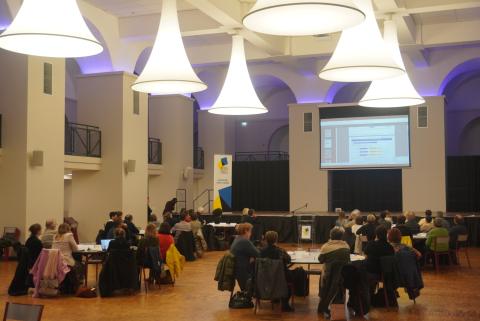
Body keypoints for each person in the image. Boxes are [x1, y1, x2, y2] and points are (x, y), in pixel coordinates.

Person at [317, 227, 350, 318]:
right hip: (342, 277)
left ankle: (322, 301)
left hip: (328, 275)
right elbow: (348, 261)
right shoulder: (346, 247)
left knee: (322, 274)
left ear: (331, 236)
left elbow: (320, 260)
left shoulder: (326, 247)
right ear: (341, 237)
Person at [260, 231, 293, 312]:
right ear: (276, 240)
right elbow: (289, 260)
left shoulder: (260, 251)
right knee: (292, 277)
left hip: (264, 278)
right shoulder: (280, 251)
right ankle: (285, 303)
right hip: (280, 278)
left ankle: (275, 298)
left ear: (266, 240)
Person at [230, 223, 259, 291]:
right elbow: (258, 254)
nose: (251, 234)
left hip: (238, 270)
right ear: (246, 231)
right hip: (244, 273)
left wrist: (252, 257)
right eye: (250, 231)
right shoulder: (244, 241)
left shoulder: (237, 238)